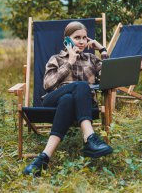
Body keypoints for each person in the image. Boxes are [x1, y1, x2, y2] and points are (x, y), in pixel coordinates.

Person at [23, 21, 113, 176]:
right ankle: (90, 137)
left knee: (68, 99)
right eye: (77, 37)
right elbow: (48, 84)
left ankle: (43, 158)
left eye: (84, 38)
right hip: (52, 101)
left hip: (78, 105)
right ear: (67, 40)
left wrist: (103, 51)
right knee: (81, 86)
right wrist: (69, 62)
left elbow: (110, 79)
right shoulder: (56, 59)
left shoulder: (92, 59)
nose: (82, 41)